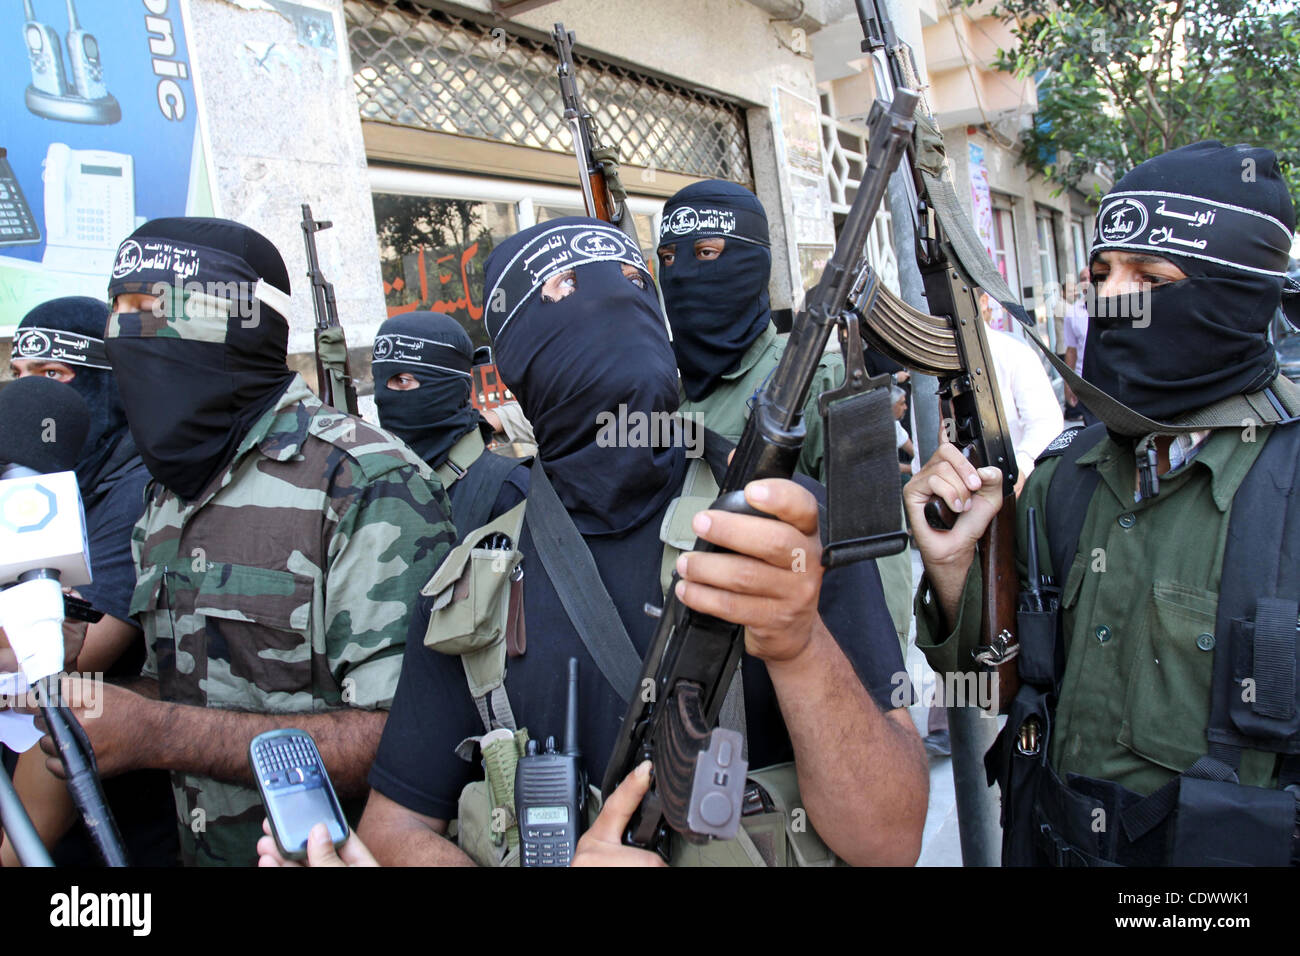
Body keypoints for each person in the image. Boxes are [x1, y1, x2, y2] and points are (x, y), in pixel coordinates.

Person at [355, 217, 928, 867]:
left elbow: (890, 839)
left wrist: (800, 646)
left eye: (633, 281)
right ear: (514, 362)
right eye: (563, 290)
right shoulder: (475, 582)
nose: (612, 301)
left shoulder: (783, 527)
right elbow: (392, 828)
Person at [908, 141, 1300, 866]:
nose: (1113, 299)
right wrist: (955, 568)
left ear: (1233, 294)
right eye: (1101, 274)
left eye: (1149, 277)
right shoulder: (1066, 478)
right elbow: (998, 678)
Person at [30, 217, 456, 867]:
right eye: (119, 311)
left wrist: (155, 734)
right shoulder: (169, 495)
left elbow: (402, 743)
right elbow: (188, 688)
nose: (128, 333)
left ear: (235, 321)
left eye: (151, 310)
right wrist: (104, 708)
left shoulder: (364, 484)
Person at [4, 297, 179, 867]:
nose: (32, 397)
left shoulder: (136, 489)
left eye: (53, 376)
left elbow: (72, 657)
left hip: (111, 824)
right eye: (20, 377)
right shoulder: (36, 483)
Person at [657, 180, 842, 481]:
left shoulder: (817, 381)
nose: (680, 273)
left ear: (753, 264)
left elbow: (871, 523)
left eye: (705, 253)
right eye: (669, 258)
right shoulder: (658, 386)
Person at [371, 310, 528, 537]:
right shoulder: (375, 490)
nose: (383, 396)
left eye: (403, 381)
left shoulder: (506, 491)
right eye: (379, 381)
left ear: (451, 389)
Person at [978, 292, 1065, 494]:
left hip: (1013, 491)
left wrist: (1020, 470)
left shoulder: (1012, 350)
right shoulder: (935, 359)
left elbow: (1045, 422)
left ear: (983, 302)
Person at [1061, 268, 1095, 424]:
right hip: (1085, 382)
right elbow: (1071, 351)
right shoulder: (1072, 313)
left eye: (1090, 277)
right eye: (1083, 279)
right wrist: (1068, 383)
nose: (1087, 282)